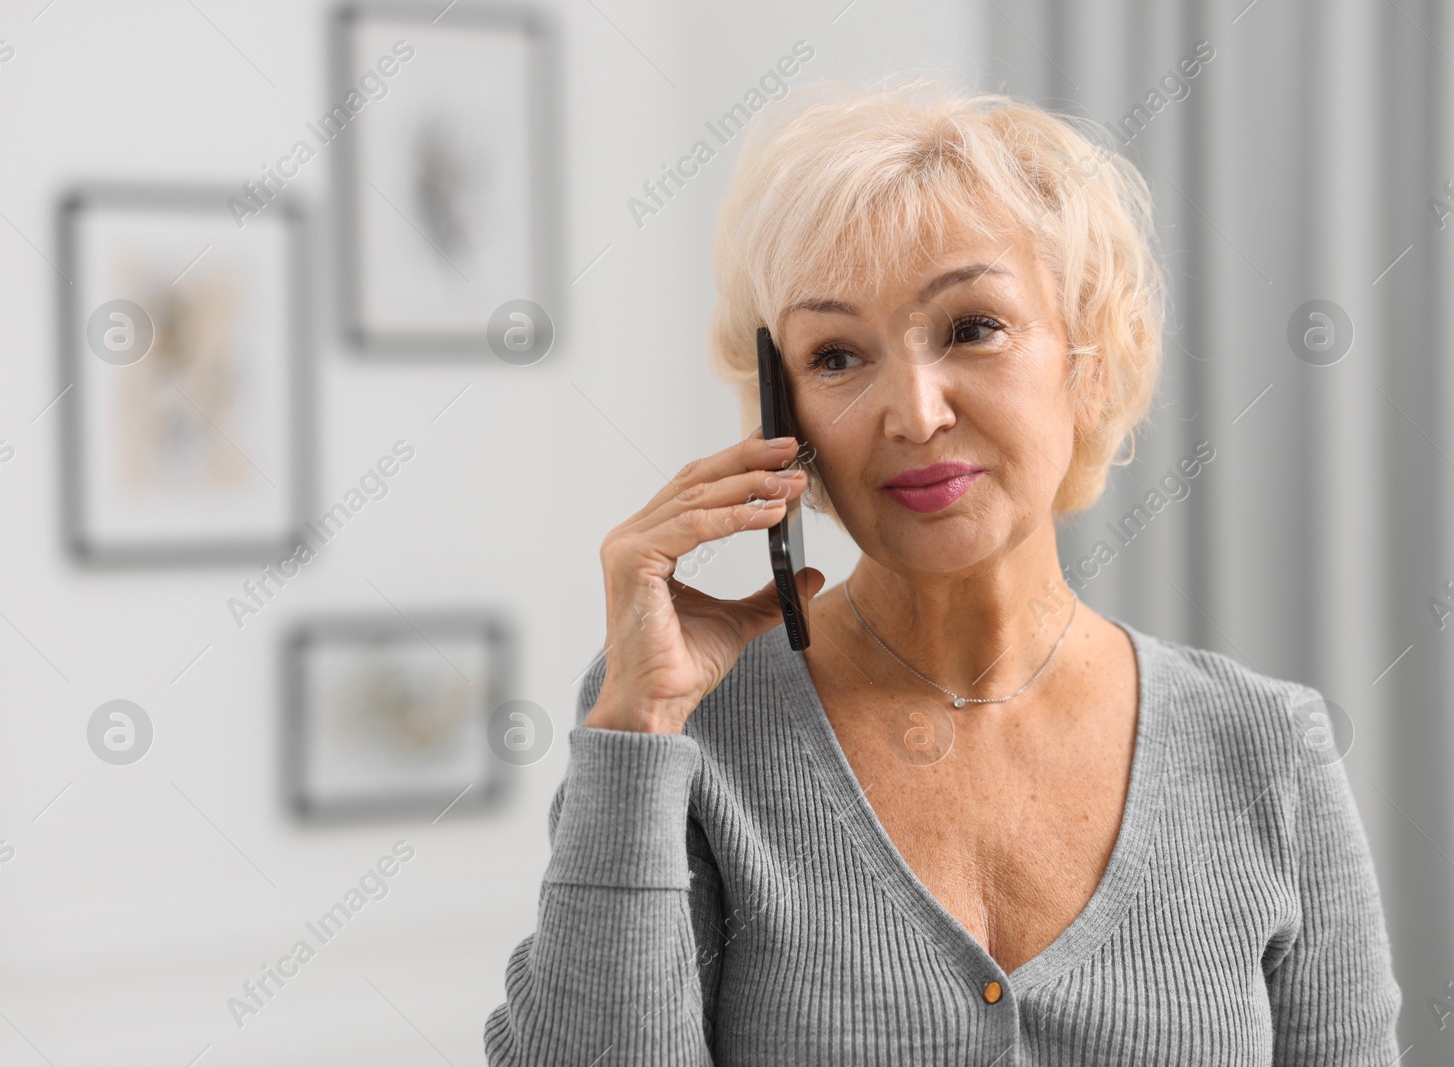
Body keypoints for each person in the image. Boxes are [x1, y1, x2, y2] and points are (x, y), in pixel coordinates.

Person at [484, 78, 1402, 1065]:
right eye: (836, 354)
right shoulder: (685, 727)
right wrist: (633, 727)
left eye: (972, 328)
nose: (912, 413)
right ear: (780, 415)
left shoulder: (1265, 748)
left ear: (1089, 361)